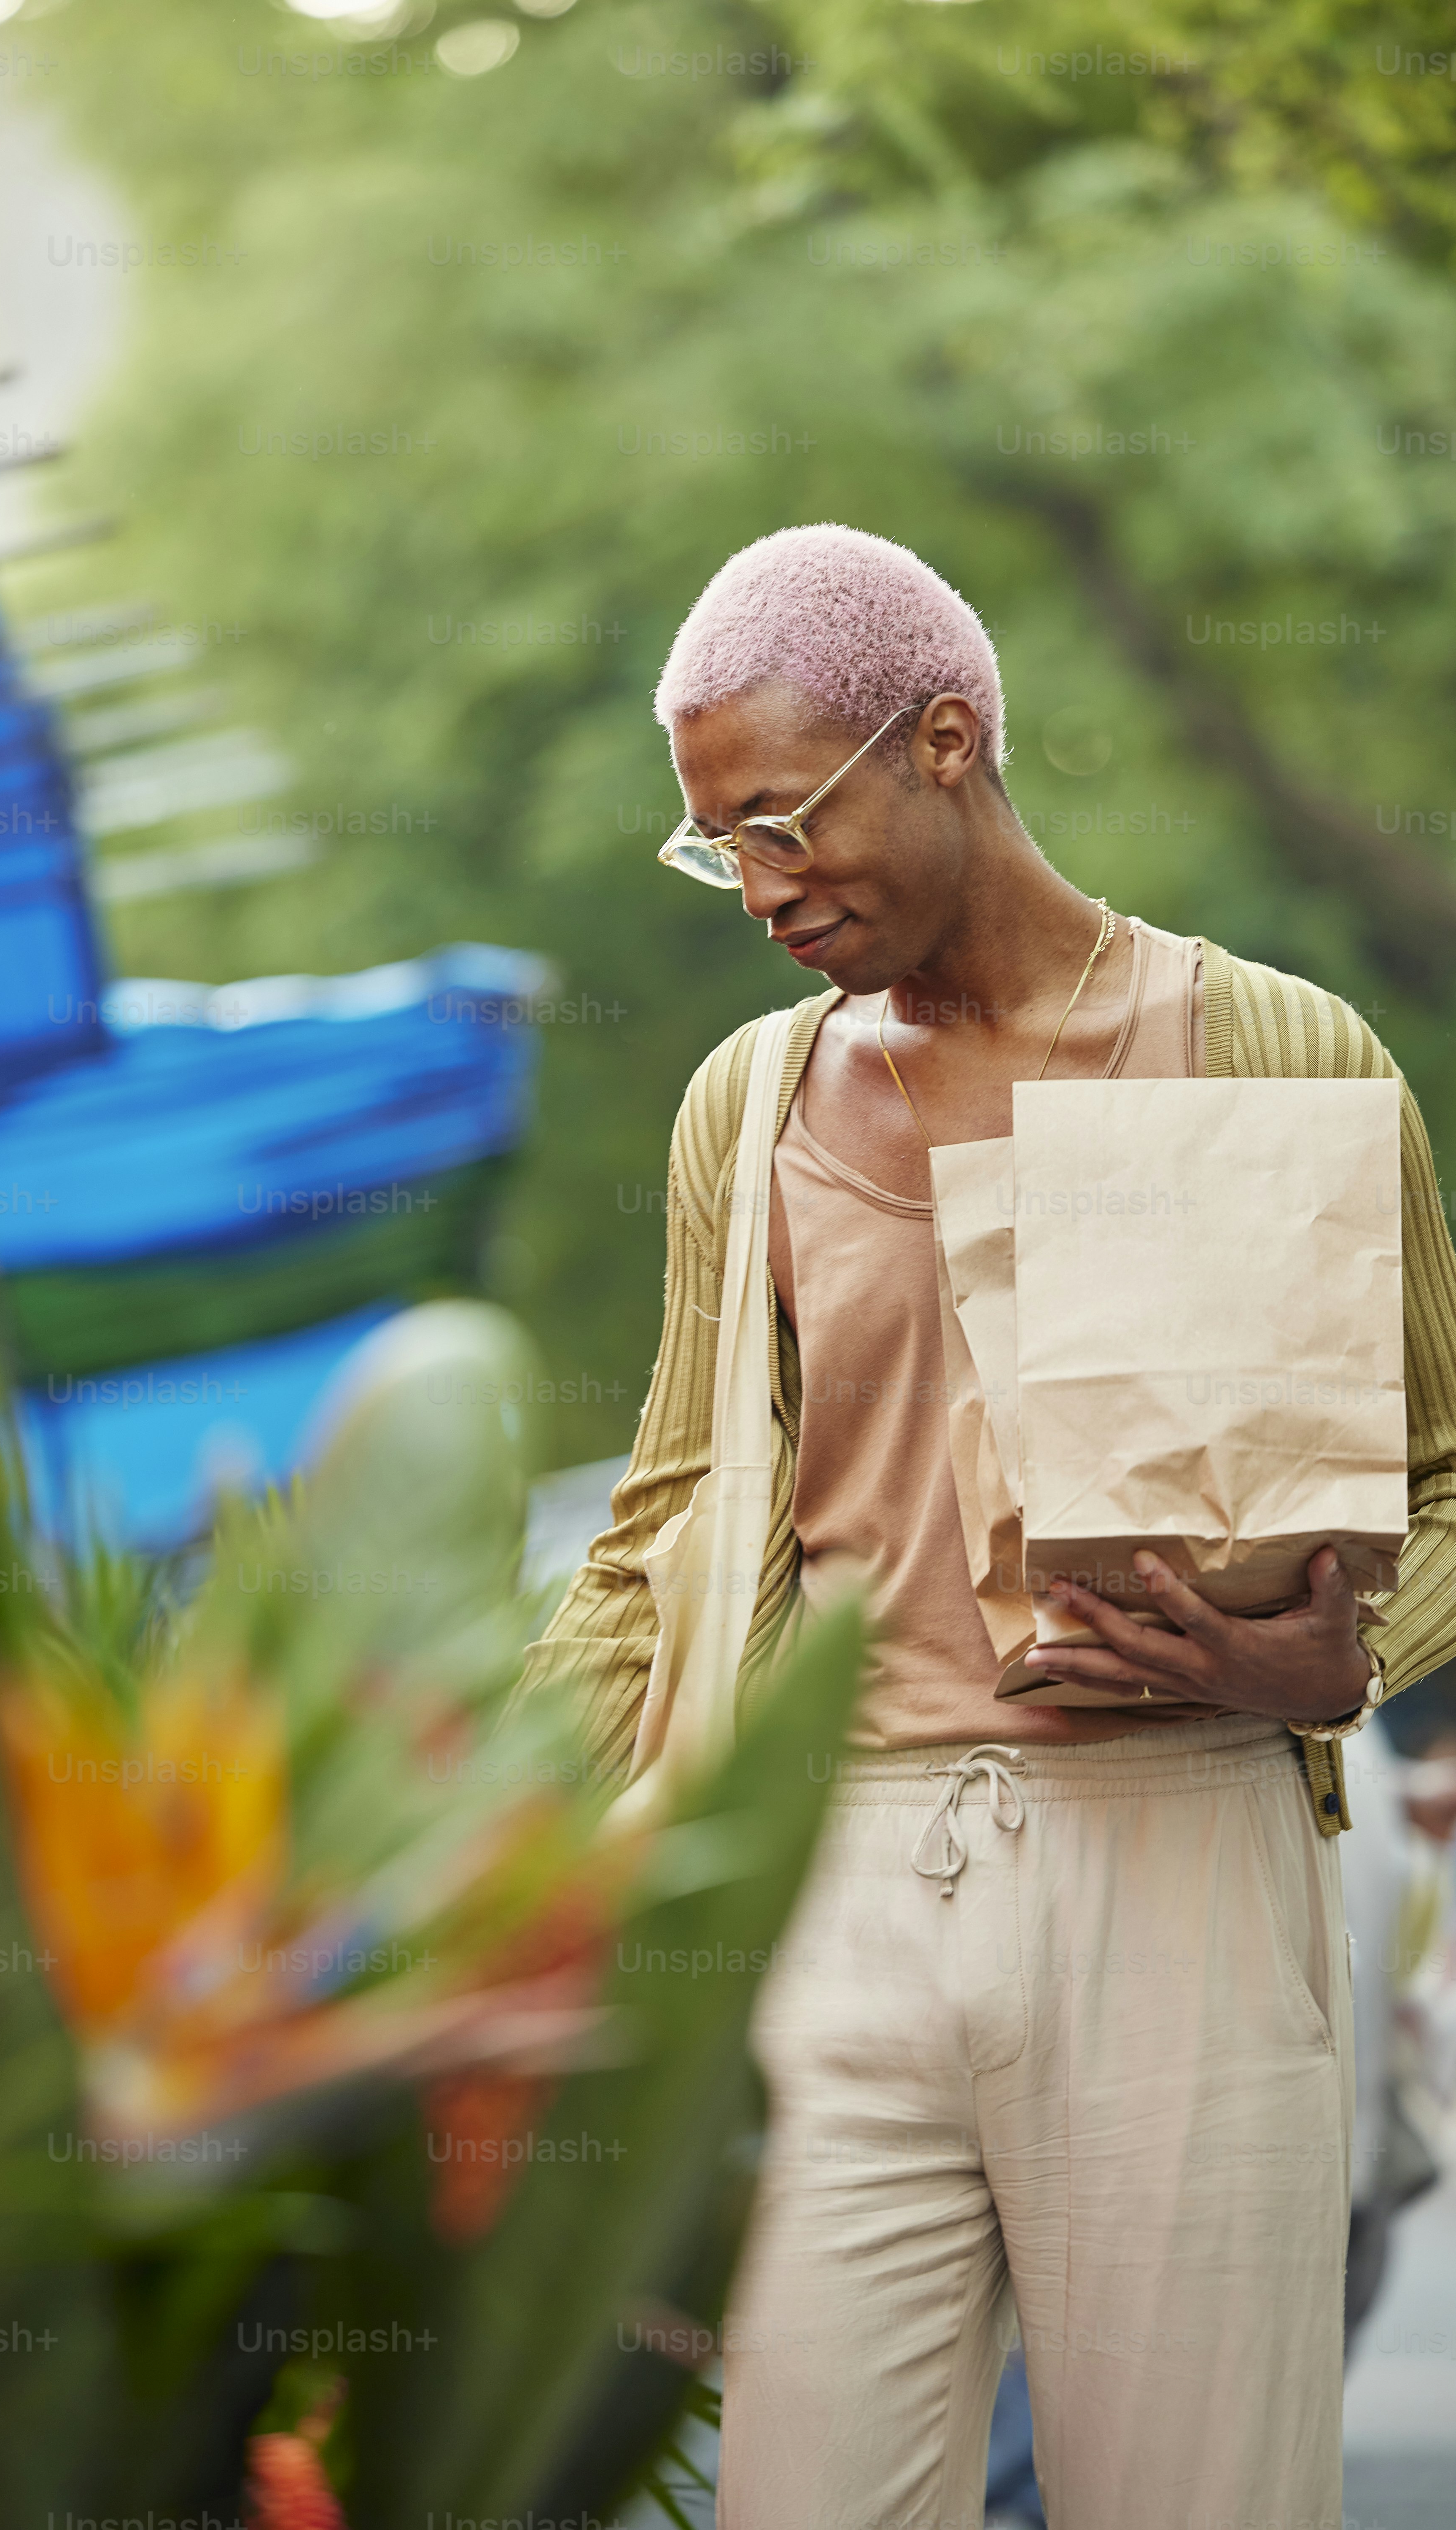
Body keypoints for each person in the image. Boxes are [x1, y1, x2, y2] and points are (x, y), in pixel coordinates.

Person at [519, 526, 1456, 2528]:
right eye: (720, 850)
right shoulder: (745, 1108)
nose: (761, 894)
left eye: (779, 826)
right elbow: (670, 1514)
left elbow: (1440, 1472)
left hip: (1179, 1860)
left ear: (941, 741)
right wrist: (478, 1840)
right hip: (831, 1888)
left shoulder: (1273, 1054)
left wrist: (1344, 1657)